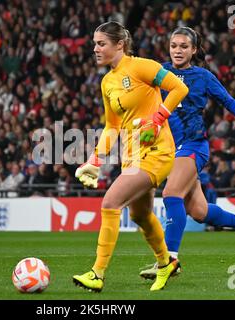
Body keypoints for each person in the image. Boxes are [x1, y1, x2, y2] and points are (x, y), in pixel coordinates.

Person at [72, 21, 189, 292]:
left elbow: (179, 89)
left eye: (101, 43)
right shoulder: (107, 82)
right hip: (132, 156)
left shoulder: (141, 67)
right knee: (140, 214)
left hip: (157, 151)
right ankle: (166, 262)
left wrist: (159, 118)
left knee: (110, 203)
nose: (95, 49)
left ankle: (97, 273)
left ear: (119, 45)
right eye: (94, 44)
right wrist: (95, 160)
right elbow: (112, 127)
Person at [139, 27, 235, 280]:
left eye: (184, 46)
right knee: (199, 212)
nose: (178, 51)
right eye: (174, 46)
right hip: (170, 148)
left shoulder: (203, 76)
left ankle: (168, 260)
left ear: (194, 50)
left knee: (171, 194)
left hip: (194, 145)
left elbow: (225, 98)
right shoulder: (159, 72)